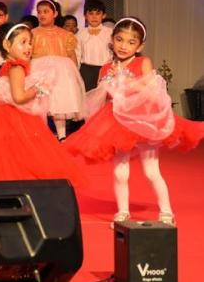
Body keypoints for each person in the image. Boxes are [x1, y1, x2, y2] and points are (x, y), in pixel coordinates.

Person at [65, 18, 204, 225]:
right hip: (117, 122)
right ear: (112, 40)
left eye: (131, 42)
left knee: (151, 171)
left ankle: (166, 211)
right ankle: (123, 212)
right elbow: (103, 98)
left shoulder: (143, 62)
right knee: (120, 172)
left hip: (143, 121)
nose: (124, 46)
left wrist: (125, 79)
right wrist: (109, 86)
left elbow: (151, 91)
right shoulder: (106, 68)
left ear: (140, 46)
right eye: (119, 40)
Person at [0, 23, 84, 185]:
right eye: (23, 42)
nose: (29, 47)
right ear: (7, 45)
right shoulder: (16, 67)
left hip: (1, 117)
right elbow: (19, 97)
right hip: (14, 118)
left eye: (30, 43)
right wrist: (38, 88)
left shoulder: (4, 66)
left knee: (7, 157)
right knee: (26, 154)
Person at [32, 0, 85, 141]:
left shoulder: (65, 34)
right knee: (40, 103)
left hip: (60, 73)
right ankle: (40, 135)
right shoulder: (33, 33)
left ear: (55, 14)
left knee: (58, 104)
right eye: (39, 12)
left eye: (46, 11)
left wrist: (74, 76)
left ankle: (62, 135)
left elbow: (71, 55)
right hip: (39, 72)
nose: (42, 15)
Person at [77, 0, 112, 91]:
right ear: (85, 16)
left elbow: (114, 53)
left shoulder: (110, 33)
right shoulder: (80, 34)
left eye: (98, 13)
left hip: (106, 69)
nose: (94, 17)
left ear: (104, 15)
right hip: (86, 71)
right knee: (87, 96)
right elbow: (77, 55)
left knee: (105, 95)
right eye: (91, 13)